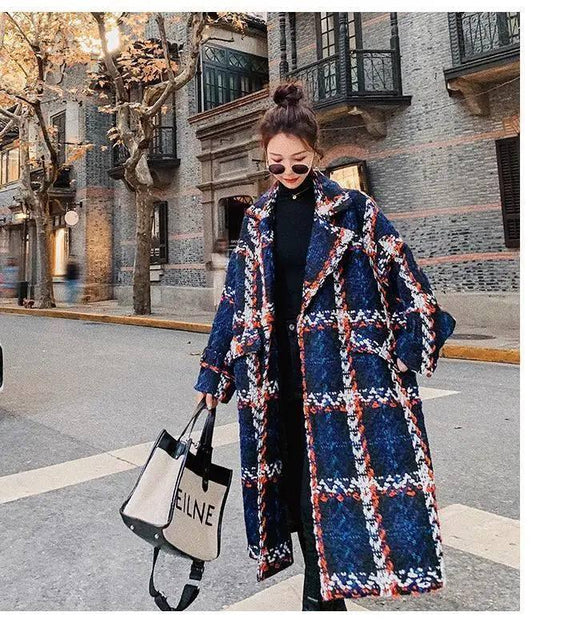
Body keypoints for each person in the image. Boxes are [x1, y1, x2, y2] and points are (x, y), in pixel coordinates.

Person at [194, 82, 456, 610]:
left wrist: (401, 349)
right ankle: (322, 592)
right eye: (276, 164)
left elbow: (408, 280)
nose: (288, 171)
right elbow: (234, 300)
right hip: (274, 379)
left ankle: (320, 598)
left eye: (298, 161)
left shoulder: (354, 210)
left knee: (332, 501)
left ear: (316, 153)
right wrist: (213, 371)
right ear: (265, 158)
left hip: (344, 379)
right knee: (294, 497)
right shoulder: (257, 219)